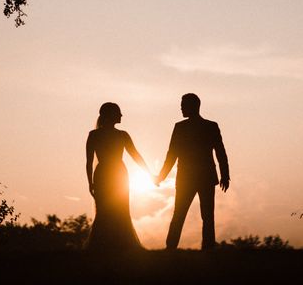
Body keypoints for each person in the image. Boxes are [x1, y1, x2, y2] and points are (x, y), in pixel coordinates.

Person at [155, 93, 230, 250]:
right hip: (200, 177)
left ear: (193, 106)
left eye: (183, 104)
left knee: (184, 214)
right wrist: (224, 175)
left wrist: (225, 175)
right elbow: (220, 153)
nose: (181, 108)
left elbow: (172, 155)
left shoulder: (184, 127)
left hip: (191, 177)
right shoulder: (208, 126)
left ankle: (172, 248)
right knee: (201, 216)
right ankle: (196, 248)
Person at [85, 102, 152, 250]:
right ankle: (108, 243)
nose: (121, 115)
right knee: (107, 209)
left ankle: (110, 243)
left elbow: (135, 156)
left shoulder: (97, 135)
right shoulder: (116, 135)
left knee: (116, 209)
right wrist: (90, 183)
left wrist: (149, 174)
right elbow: (89, 162)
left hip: (108, 174)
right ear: (110, 115)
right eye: (118, 113)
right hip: (115, 174)